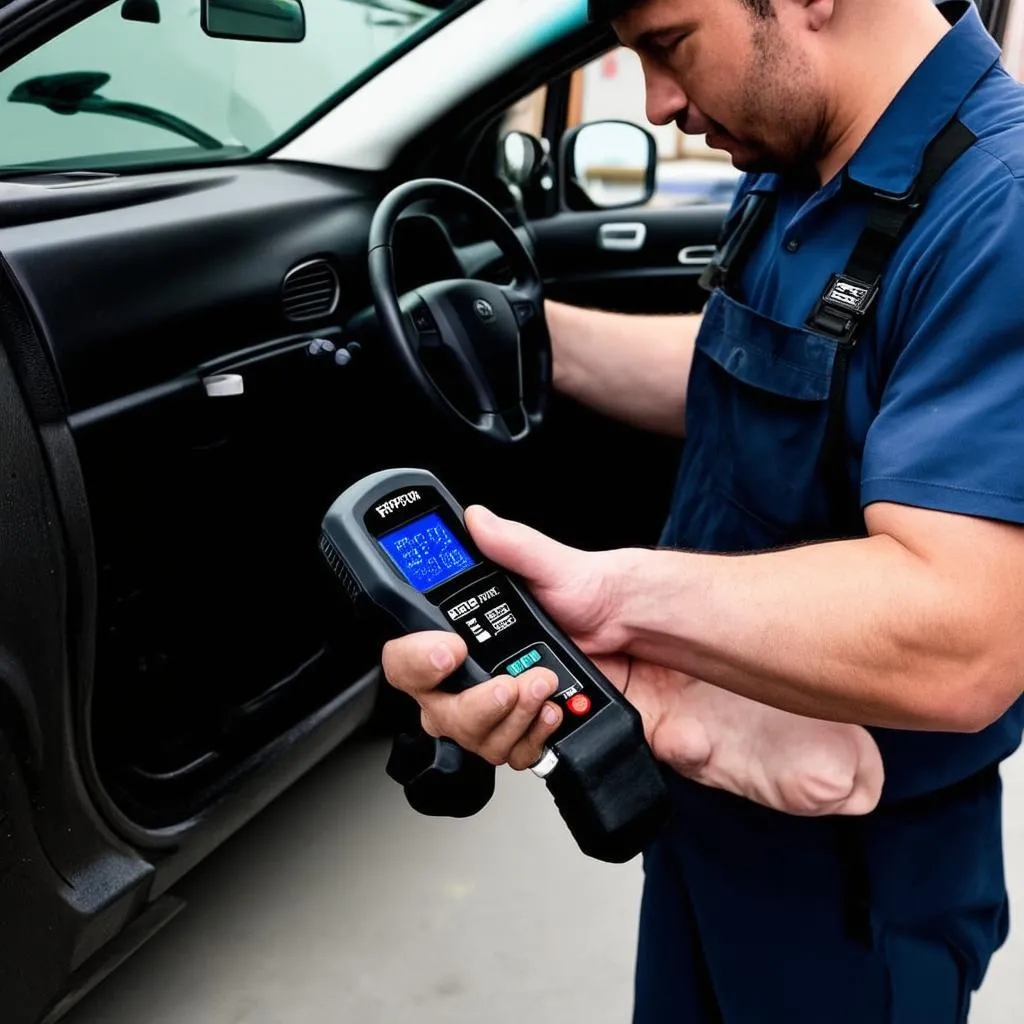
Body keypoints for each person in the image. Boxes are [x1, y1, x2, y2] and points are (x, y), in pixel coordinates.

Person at [382, 0, 1024, 1019]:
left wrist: (618, 599)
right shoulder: (789, 162)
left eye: (669, 46)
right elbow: (758, 369)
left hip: (854, 851)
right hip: (702, 782)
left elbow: (967, 633)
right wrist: (522, 327)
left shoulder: (997, 211)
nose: (660, 103)